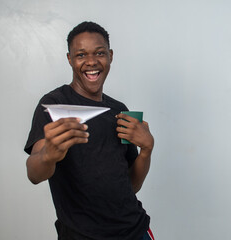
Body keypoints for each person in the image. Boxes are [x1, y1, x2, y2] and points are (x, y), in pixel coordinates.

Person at [24, 21, 155, 240]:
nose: (91, 62)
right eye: (81, 55)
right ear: (69, 59)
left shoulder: (120, 110)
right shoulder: (54, 105)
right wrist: (48, 155)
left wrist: (147, 150)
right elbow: (34, 174)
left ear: (110, 56)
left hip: (136, 230)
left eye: (99, 53)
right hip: (82, 236)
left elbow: (132, 186)